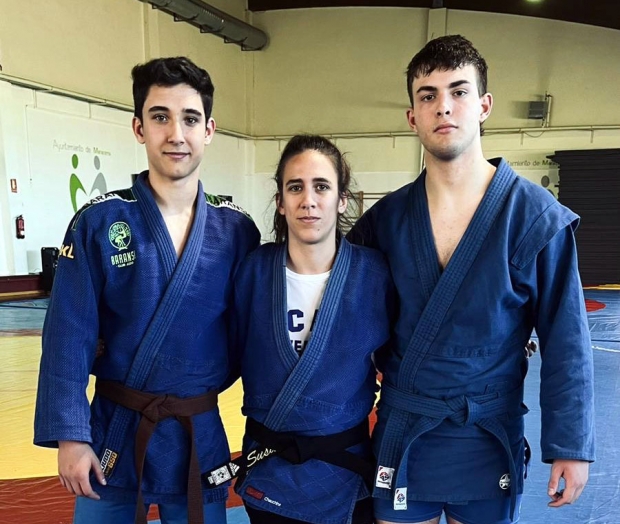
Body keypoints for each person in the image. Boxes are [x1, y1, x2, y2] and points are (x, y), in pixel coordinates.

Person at [347, 35, 595, 524]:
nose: (444, 107)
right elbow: (347, 323)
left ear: (483, 106)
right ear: (411, 116)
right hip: (406, 428)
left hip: (485, 430)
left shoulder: (535, 217)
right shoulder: (386, 220)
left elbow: (567, 340)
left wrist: (571, 445)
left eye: (459, 92)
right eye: (428, 95)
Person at [34, 56, 260, 524]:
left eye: (190, 119)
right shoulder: (99, 222)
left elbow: (250, 337)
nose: (176, 134)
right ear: (139, 128)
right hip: (114, 432)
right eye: (160, 117)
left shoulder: (237, 230)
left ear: (209, 130)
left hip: (198, 431)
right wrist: (72, 438)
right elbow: (67, 337)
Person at [214, 135, 393, 524]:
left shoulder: (374, 274)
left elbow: (404, 360)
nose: (308, 200)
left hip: (345, 471)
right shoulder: (252, 271)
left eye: (321, 186)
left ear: (342, 199)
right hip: (271, 471)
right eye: (295, 187)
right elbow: (215, 350)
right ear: (280, 201)